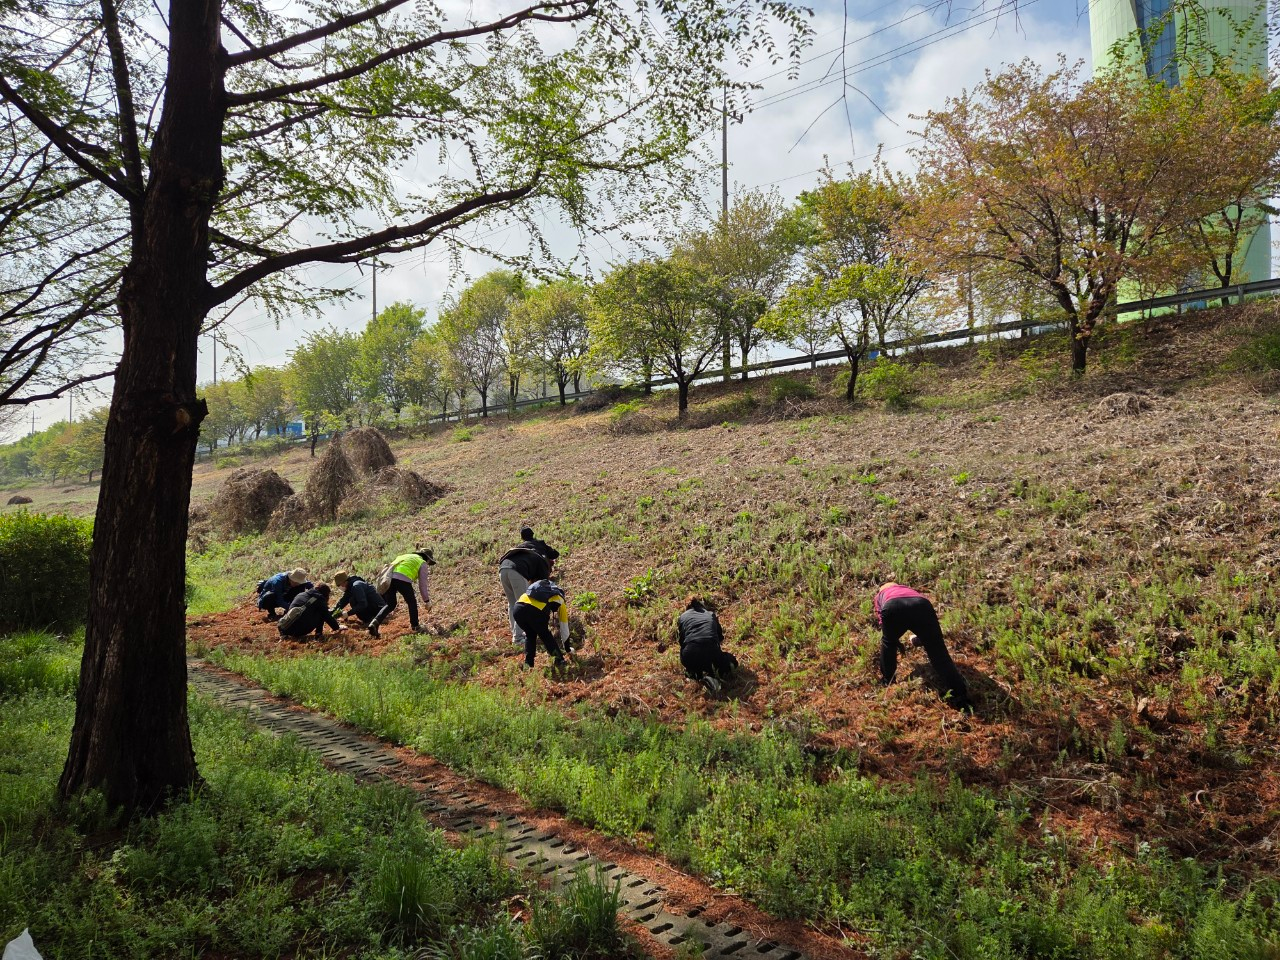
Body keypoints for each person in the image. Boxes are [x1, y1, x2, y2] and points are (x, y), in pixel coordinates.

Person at [873, 582, 971, 711]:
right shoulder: (908, 589)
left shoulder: (880, 596)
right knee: (938, 652)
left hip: (893, 606)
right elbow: (919, 618)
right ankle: (960, 697)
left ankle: (888, 681)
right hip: (922, 605)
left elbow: (883, 622)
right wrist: (923, 638)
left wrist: (893, 640)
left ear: (881, 590)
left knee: (888, 643)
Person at [498, 526, 557, 646]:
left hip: (503, 568)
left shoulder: (522, 549)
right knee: (523, 605)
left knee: (513, 603)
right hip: (517, 570)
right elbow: (543, 584)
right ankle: (518, 638)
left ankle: (517, 633)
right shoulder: (541, 557)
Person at [676, 596, 738, 693]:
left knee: (692, 661)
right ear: (702, 607)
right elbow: (720, 638)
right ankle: (711, 675)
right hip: (711, 652)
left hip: (689, 654)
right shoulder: (710, 614)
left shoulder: (682, 617)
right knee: (732, 662)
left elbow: (682, 641)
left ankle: (694, 673)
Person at [370, 549, 434, 634]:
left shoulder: (405, 556)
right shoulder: (422, 562)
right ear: (428, 559)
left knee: (391, 604)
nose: (429, 564)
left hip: (389, 578)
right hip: (403, 580)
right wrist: (427, 601)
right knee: (412, 602)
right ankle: (415, 626)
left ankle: (375, 623)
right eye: (429, 562)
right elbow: (422, 584)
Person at [512, 579, 571, 669]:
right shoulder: (560, 600)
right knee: (545, 635)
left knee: (530, 635)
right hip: (534, 611)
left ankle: (528, 664)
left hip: (517, 609)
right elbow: (564, 628)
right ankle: (560, 660)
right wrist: (567, 649)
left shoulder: (541, 588)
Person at [332, 569, 390, 636]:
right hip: (374, 606)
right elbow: (343, 601)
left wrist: (348, 614)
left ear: (344, 582)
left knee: (353, 601)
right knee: (352, 599)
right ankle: (369, 618)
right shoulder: (350, 586)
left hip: (378, 609)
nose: (339, 587)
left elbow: (363, 604)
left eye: (339, 585)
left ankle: (371, 619)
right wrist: (332, 612)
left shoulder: (356, 586)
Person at [278, 583, 344, 639]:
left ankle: (286, 634)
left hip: (286, 627)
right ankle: (318, 633)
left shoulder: (301, 595)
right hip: (299, 631)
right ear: (325, 594)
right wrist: (337, 627)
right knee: (321, 612)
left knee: (319, 610)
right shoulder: (319, 600)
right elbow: (327, 617)